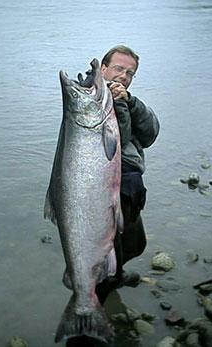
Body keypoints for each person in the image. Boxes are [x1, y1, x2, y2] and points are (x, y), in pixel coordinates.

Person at [66, 46, 160, 346]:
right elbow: (110, 141)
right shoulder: (94, 103)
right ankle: (84, 324)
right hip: (104, 189)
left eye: (130, 72)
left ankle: (115, 276)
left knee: (135, 244)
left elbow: (150, 133)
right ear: (103, 68)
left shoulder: (125, 100)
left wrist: (129, 101)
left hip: (130, 189)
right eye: (118, 68)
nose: (124, 76)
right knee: (103, 255)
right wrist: (117, 105)